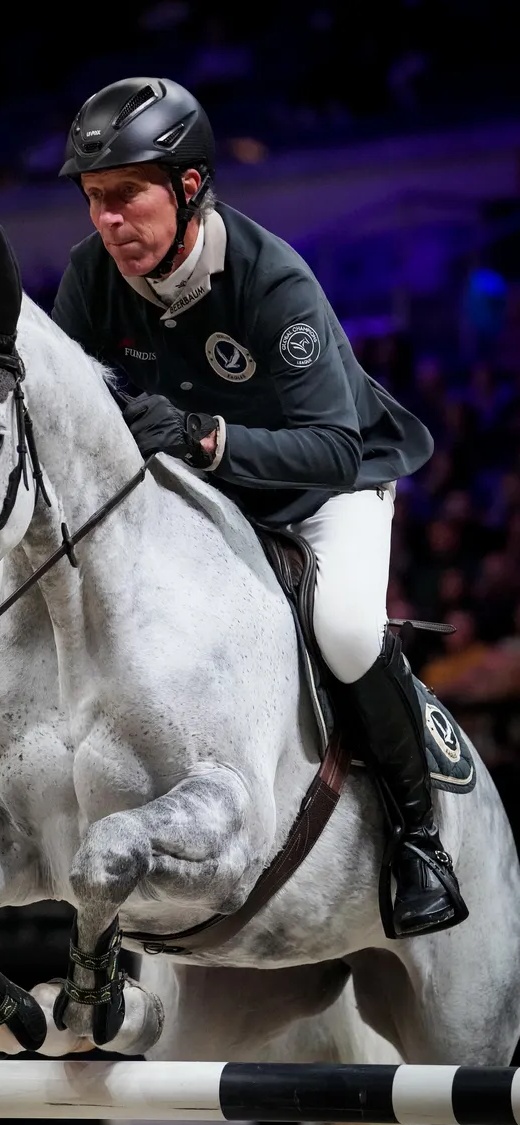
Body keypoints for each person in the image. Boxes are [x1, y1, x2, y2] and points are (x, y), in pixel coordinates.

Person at [52, 76, 464, 937]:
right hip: (204, 493)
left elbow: (332, 448)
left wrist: (202, 437)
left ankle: (418, 838)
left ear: (189, 186)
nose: (107, 220)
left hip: (329, 487)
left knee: (343, 628)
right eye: (93, 198)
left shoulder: (272, 280)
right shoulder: (91, 278)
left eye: (126, 194)